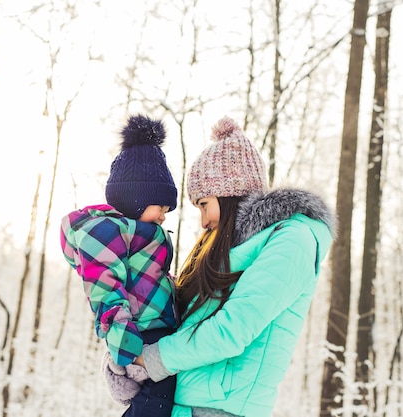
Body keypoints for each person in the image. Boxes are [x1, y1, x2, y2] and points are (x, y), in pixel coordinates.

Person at [110, 115, 336, 417]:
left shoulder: (294, 240)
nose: (203, 221)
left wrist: (147, 359)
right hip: (184, 405)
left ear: (229, 192)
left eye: (204, 204)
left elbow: (231, 330)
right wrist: (127, 347)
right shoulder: (236, 249)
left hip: (222, 409)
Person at [60, 114, 179, 417]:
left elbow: (148, 279)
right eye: (160, 208)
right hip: (141, 337)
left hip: (157, 333)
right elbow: (105, 290)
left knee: (158, 403)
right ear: (138, 199)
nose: (164, 216)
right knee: (154, 406)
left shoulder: (136, 235)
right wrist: (127, 348)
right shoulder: (105, 233)